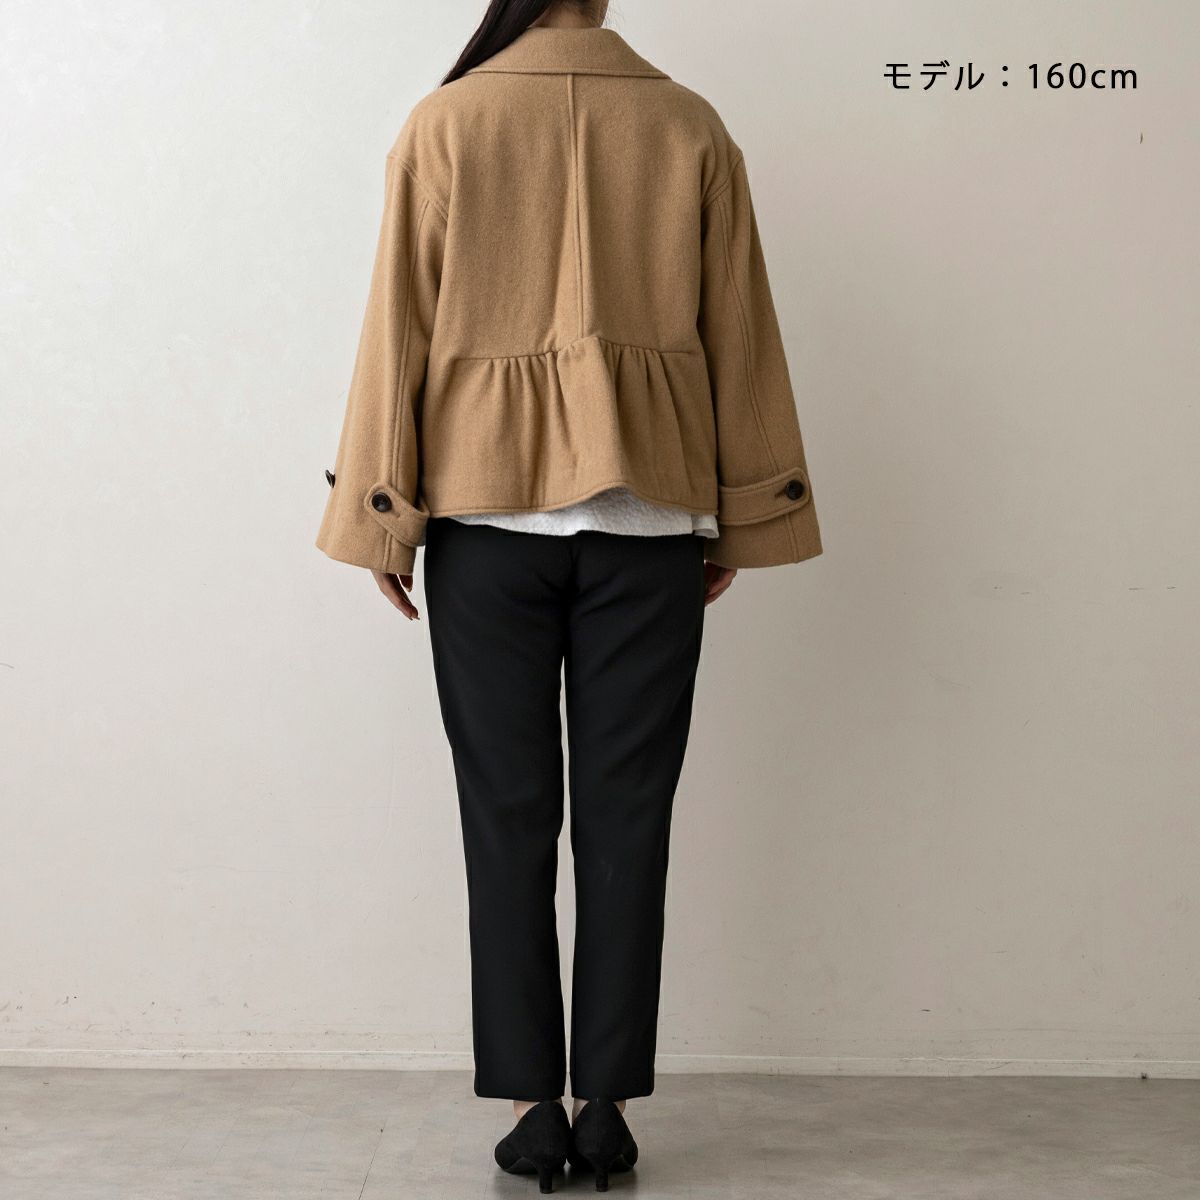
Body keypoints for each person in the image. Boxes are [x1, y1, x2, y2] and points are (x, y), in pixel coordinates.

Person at [315, 0, 822, 1190]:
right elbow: (741, 334)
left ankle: (531, 1108)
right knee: (627, 819)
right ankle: (608, 1111)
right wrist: (740, 512)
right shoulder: (690, 127)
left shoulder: (447, 121)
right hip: (651, 527)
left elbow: (397, 329)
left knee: (505, 818)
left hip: (484, 528)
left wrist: (384, 516)